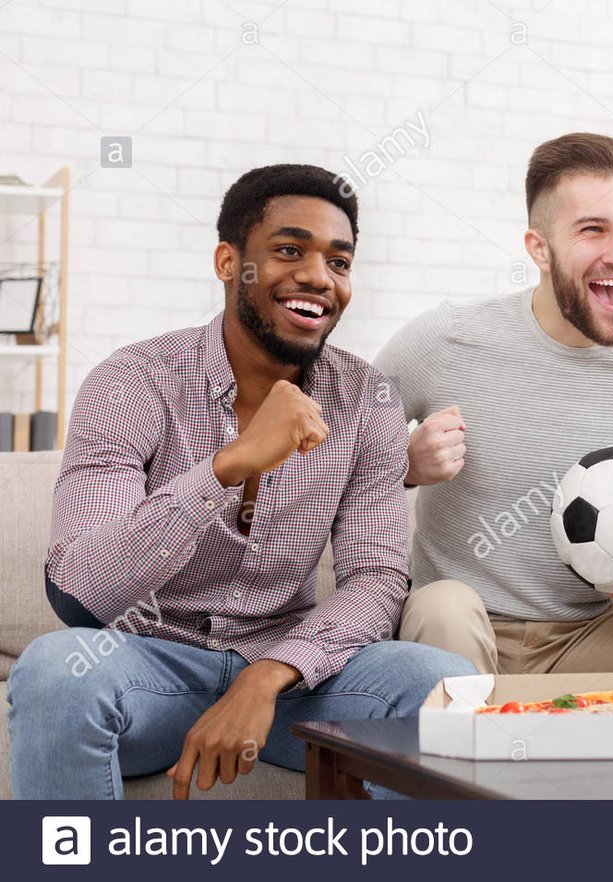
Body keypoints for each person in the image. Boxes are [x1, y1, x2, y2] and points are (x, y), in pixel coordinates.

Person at [6, 164, 473, 800]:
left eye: (339, 261)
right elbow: (81, 591)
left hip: (293, 686)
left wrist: (269, 674)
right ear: (229, 262)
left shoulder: (367, 401)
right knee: (56, 672)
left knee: (440, 682)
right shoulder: (132, 383)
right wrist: (232, 464)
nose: (317, 276)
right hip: (149, 671)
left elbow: (376, 579)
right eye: (289, 250)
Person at [376, 133, 613, 675]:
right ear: (538, 248)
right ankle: (467, 753)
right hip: (469, 638)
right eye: (593, 229)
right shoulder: (443, 342)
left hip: (606, 638)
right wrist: (402, 466)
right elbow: (322, 463)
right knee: (443, 606)